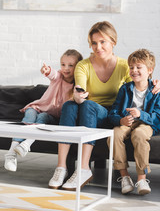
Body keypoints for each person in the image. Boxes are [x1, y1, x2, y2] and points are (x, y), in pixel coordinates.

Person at [48, 21, 160, 191]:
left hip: (111, 115)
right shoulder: (83, 65)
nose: (98, 47)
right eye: (94, 43)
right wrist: (78, 96)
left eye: (103, 42)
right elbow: (80, 90)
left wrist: (155, 83)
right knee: (70, 105)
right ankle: (61, 167)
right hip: (88, 112)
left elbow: (138, 87)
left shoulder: (125, 66)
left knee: (88, 106)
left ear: (113, 42)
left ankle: (84, 168)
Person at [4, 49, 83, 172]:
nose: (66, 68)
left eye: (70, 65)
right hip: (37, 107)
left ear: (78, 67)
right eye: (63, 64)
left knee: (42, 118)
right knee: (29, 116)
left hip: (50, 116)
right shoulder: (58, 77)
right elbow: (53, 74)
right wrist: (47, 71)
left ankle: (27, 144)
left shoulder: (77, 86)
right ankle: (11, 154)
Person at [107, 49, 160, 195]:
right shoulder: (125, 89)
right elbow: (113, 113)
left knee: (139, 134)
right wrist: (121, 120)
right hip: (127, 122)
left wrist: (141, 114)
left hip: (146, 123)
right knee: (115, 134)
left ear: (150, 70)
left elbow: (157, 117)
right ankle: (125, 177)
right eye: (131, 67)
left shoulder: (156, 90)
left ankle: (142, 179)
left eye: (139, 67)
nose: (134, 70)